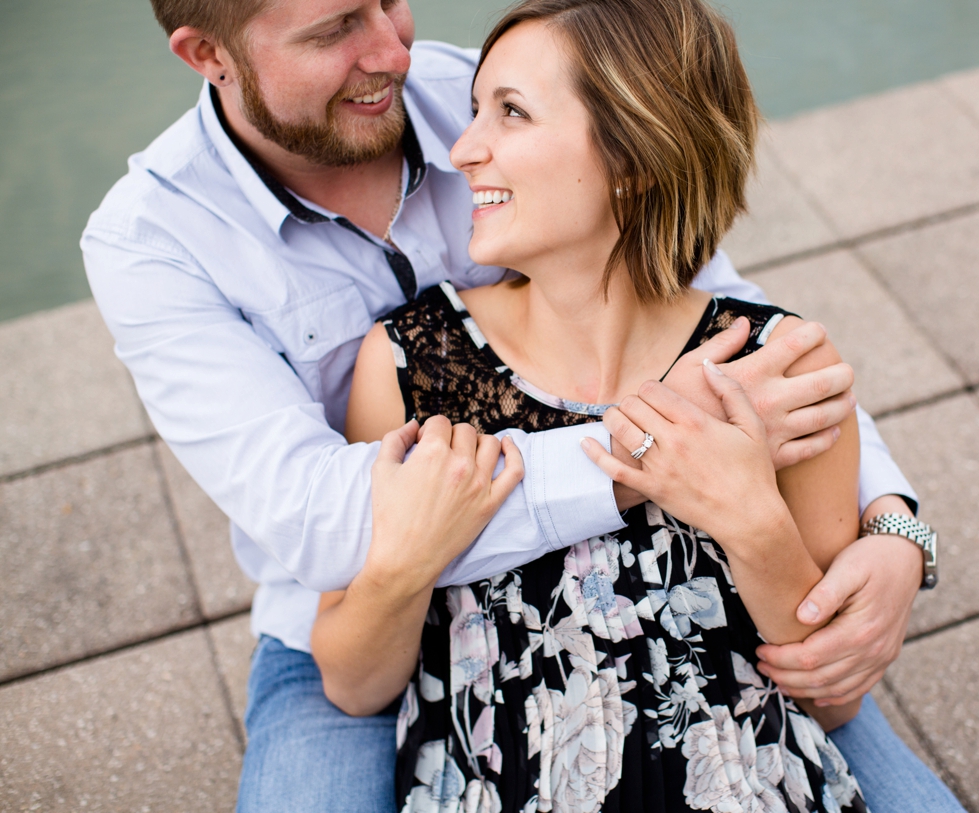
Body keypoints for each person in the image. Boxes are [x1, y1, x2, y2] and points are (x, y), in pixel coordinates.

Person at [79, 0, 957, 810]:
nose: (393, 50)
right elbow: (318, 523)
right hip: (376, 617)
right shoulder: (153, 244)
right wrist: (646, 449)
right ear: (209, 56)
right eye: (335, 26)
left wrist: (891, 524)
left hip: (716, 652)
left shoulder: (483, 82)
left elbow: (732, 328)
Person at [310, 1, 874, 809]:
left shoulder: (778, 370)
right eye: (475, 111)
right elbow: (354, 684)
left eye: (511, 112)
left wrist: (754, 520)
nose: (464, 150)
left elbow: (835, 699)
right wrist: (407, 560)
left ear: (632, 154)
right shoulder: (408, 366)